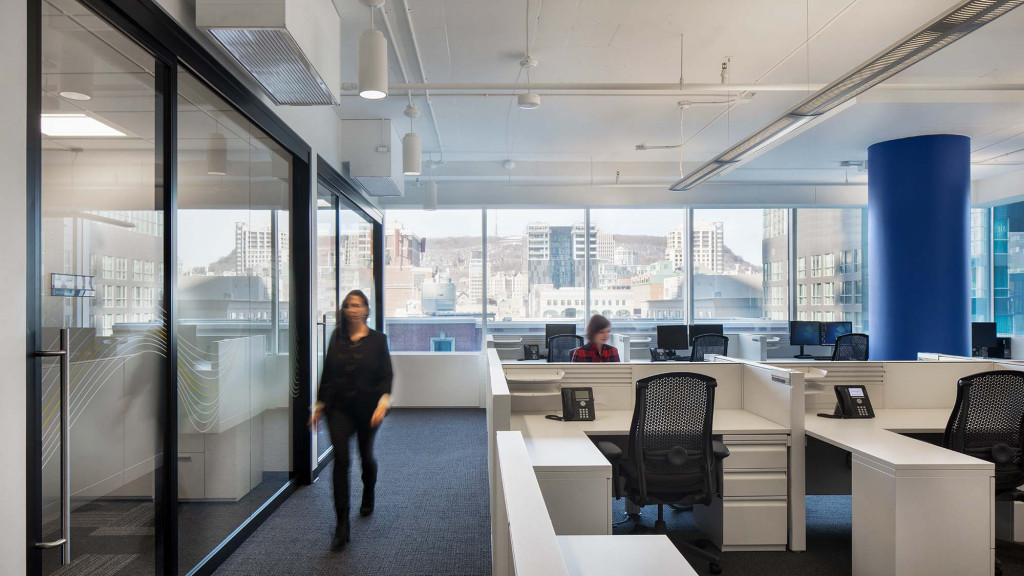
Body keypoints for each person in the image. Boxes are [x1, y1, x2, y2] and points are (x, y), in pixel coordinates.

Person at [309, 290, 393, 552]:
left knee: (365, 456)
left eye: (358, 305)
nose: (353, 310)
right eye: (348, 305)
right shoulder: (337, 338)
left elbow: (386, 375)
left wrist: (383, 401)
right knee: (341, 462)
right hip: (339, 410)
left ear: (366, 310)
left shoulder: (378, 340)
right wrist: (319, 405)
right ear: (344, 310)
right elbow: (328, 374)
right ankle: (341, 525)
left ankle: (369, 491)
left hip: (368, 410)